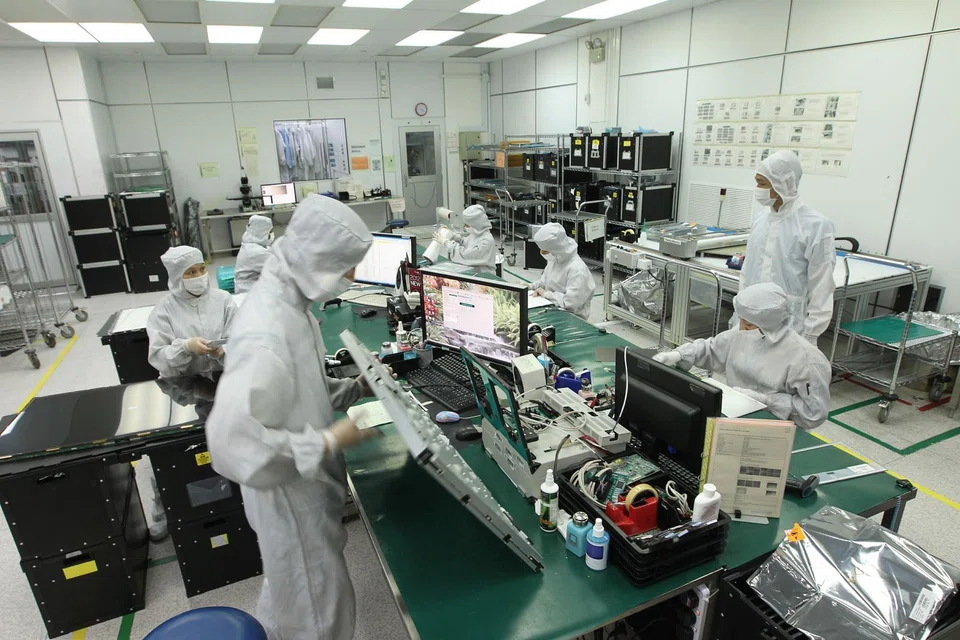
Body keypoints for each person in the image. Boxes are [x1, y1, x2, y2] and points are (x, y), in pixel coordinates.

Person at [205, 195, 381, 640]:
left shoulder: (290, 303)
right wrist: (328, 441)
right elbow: (231, 443)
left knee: (288, 589)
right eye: (347, 268)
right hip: (288, 496)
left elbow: (299, 387)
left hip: (301, 486)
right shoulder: (266, 332)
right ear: (320, 260)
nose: (352, 278)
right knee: (318, 610)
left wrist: (353, 388)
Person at [654, 283, 831, 430]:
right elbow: (712, 349)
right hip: (735, 416)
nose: (741, 329)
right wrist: (678, 355)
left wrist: (767, 401)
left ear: (769, 325)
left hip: (777, 428)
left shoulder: (806, 360)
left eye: (748, 325)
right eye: (741, 321)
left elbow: (813, 413)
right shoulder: (741, 334)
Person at [740, 150, 836, 345]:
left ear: (783, 183)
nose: (757, 189)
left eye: (762, 183)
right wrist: (741, 311)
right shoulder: (760, 220)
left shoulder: (815, 225)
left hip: (789, 325)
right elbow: (747, 271)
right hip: (750, 321)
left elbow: (822, 285)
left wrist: (811, 334)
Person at [147, 246, 237, 379]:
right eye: (191, 272)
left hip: (224, 376)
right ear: (177, 277)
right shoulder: (164, 309)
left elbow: (240, 338)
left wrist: (224, 350)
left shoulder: (223, 299)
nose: (199, 276)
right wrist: (186, 347)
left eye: (202, 269)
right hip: (183, 382)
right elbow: (158, 357)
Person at [530, 222, 596, 320]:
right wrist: (531, 286)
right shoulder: (555, 260)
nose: (542, 253)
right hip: (552, 308)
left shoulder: (577, 269)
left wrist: (547, 294)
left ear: (556, 249)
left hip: (572, 318)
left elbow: (570, 303)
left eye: (545, 251)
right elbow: (545, 282)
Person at [438, 204, 497, 270]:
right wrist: (452, 235)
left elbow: (465, 255)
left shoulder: (486, 241)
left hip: (484, 274)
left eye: (467, 225)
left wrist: (447, 243)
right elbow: (464, 242)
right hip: (475, 271)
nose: (465, 227)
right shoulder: (475, 235)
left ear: (476, 224)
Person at [234, 214, 273, 293]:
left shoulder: (249, 244)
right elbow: (280, 267)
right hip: (248, 290)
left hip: (248, 284)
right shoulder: (257, 252)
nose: (271, 235)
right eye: (270, 232)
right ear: (262, 232)